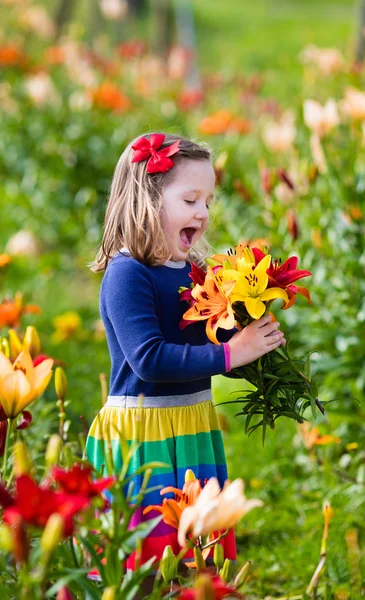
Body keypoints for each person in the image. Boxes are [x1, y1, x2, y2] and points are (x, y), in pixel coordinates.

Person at [85, 132, 286, 572]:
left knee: (198, 554)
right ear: (146, 198)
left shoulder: (195, 273)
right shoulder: (127, 274)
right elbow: (151, 359)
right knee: (147, 556)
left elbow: (207, 346)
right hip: (144, 432)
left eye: (209, 202)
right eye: (192, 199)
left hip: (192, 425)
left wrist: (255, 348)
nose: (204, 213)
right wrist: (233, 354)